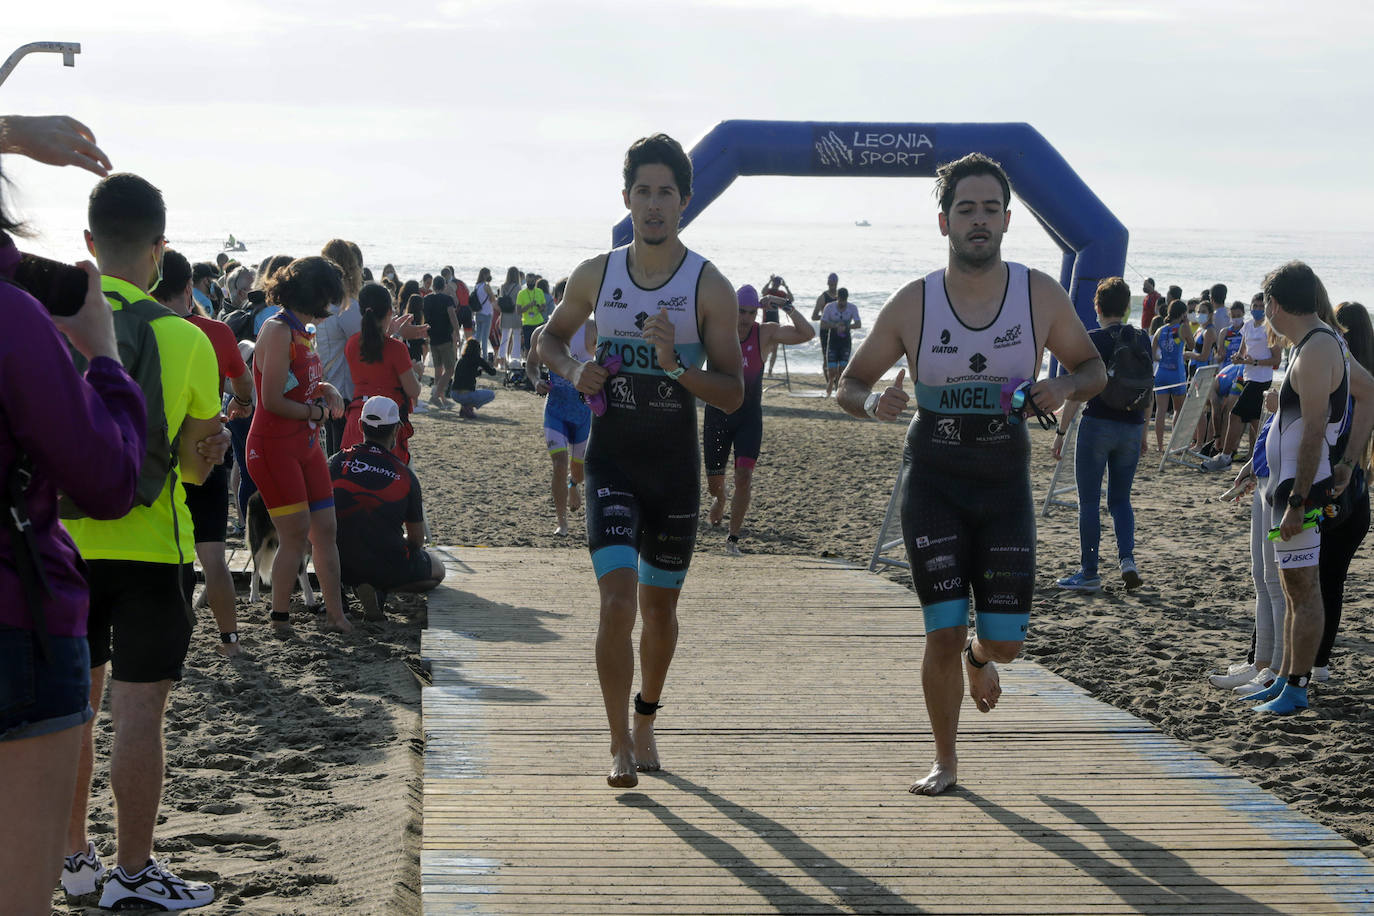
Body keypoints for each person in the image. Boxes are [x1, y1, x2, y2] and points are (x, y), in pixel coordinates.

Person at [836, 152, 1105, 795]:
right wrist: (876, 403)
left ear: (1008, 220)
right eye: (965, 210)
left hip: (1004, 487)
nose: (978, 220)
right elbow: (848, 384)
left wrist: (1061, 383)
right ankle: (946, 761)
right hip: (933, 483)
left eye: (990, 209)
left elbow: (1094, 370)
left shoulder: (1039, 293)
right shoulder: (913, 303)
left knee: (1005, 642)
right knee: (942, 626)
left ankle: (981, 657)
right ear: (943, 222)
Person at [537, 132, 744, 788]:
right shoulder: (597, 274)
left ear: (686, 200)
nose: (653, 205)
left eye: (665, 193)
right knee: (617, 603)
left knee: (659, 613)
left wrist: (678, 365)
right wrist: (574, 369)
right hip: (613, 464)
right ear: (626, 198)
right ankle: (618, 740)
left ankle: (647, 715)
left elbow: (734, 390)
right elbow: (548, 338)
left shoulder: (709, 285)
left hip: (674, 471)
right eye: (642, 192)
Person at [63, 172, 226, 910]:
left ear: (90, 243)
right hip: (151, 548)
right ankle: (133, 873)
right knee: (138, 712)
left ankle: (73, 861)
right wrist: (209, 451)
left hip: (60, 544)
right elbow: (192, 469)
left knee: (73, 709)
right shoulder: (186, 338)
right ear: (159, 251)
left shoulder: (50, 324)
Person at [0, 119, 144, 916]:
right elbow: (110, 478)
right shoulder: (15, 322)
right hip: (17, 619)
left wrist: (9, 133)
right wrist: (105, 361)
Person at [1242, 262, 1350, 714]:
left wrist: (1300, 500)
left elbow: (1312, 432)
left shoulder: (1320, 346)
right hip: (1289, 488)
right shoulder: (1308, 345)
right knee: (1290, 587)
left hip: (1300, 491)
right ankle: (1285, 677)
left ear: (1274, 303)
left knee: (1303, 588)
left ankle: (1297, 686)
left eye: (1264, 302)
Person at [152, 250, 254, 656]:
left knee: (166, 553)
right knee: (212, 553)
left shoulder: (143, 328)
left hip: (158, 454)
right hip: (207, 446)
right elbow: (243, 385)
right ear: (189, 286)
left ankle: (172, 636)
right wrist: (241, 404)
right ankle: (229, 641)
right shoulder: (215, 332)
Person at [243, 255, 352, 635]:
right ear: (316, 295)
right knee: (295, 532)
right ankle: (280, 619)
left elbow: (301, 381)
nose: (331, 309)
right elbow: (271, 399)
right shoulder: (276, 330)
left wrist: (328, 390)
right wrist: (318, 414)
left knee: (326, 529)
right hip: (272, 446)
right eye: (329, 300)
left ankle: (336, 615)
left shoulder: (301, 329)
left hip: (305, 444)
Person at [1051, 278, 1149, 592]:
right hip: (1132, 427)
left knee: (1089, 502)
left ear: (1097, 308)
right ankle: (1127, 559)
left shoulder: (1092, 340)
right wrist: (1144, 431)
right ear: (1127, 307)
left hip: (1097, 426)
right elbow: (1148, 388)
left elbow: (1076, 392)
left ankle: (1090, 572)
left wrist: (1061, 432)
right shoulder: (1142, 339)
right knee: (1121, 500)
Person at [704, 283, 815, 555]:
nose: (744, 319)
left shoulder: (763, 334)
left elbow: (807, 333)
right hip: (717, 416)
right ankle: (720, 499)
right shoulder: (716, 330)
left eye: (750, 313)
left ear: (757, 313)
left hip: (749, 418)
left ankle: (733, 539)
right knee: (713, 485)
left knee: (744, 476)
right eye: (740, 311)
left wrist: (783, 305)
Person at [330, 396, 446, 620]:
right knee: (437, 570)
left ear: (360, 425)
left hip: (339, 562)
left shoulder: (335, 462)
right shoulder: (405, 476)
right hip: (385, 564)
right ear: (397, 429)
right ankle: (382, 589)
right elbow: (416, 540)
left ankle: (347, 590)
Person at [1315, 301, 1374, 681]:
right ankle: (1320, 663)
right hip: (1359, 495)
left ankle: (1292, 660)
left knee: (1307, 579)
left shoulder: (1338, 374)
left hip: (1332, 489)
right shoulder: (1368, 379)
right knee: (1333, 580)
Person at [529, 321, 596, 535]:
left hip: (584, 413)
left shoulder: (594, 329)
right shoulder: (543, 332)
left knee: (579, 471)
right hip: (555, 410)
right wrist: (536, 380)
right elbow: (532, 364)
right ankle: (562, 522)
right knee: (559, 463)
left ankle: (573, 485)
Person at [1203, 291, 1282, 470]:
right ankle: (1268, 454)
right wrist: (1238, 358)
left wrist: (1254, 361)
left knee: (1235, 414)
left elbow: (1276, 360)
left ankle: (1225, 457)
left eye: (1262, 306)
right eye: (1255, 306)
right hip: (1247, 376)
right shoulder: (1247, 326)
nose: (1258, 309)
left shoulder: (1270, 328)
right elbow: (1242, 351)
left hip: (1261, 379)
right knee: (1255, 421)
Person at [342, 282, 420, 461]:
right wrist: (415, 371)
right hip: (386, 421)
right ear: (389, 313)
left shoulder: (352, 344)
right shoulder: (396, 349)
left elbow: (373, 358)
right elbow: (413, 390)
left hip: (358, 418)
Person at [314, 239, 364, 455]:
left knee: (334, 452)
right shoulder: (347, 306)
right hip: (345, 388)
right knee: (345, 451)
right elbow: (363, 343)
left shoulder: (320, 303)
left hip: (326, 382)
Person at [1150, 299, 1190, 452]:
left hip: (1161, 372)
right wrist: (1185, 324)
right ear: (1182, 314)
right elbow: (1192, 345)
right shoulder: (1182, 328)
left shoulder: (1160, 330)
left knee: (1160, 410)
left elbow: (1154, 355)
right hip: (1177, 373)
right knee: (1178, 410)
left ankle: (1160, 447)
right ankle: (1174, 444)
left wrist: (1163, 359)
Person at [422, 274, 459, 408]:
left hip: (433, 337)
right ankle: (436, 395)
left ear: (433, 286)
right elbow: (452, 315)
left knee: (438, 370)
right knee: (450, 369)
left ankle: (441, 399)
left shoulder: (426, 299)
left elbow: (424, 317)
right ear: (444, 286)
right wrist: (457, 332)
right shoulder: (447, 299)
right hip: (444, 337)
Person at [821, 287, 861, 396]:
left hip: (845, 341)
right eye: (840, 300)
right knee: (832, 371)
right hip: (833, 341)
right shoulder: (829, 307)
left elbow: (858, 324)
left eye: (844, 301)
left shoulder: (852, 308)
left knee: (842, 370)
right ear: (836, 298)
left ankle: (838, 391)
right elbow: (823, 324)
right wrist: (835, 326)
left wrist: (846, 327)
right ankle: (830, 384)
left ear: (847, 299)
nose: (842, 303)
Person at [449, 336, 498, 418]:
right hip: (467, 394)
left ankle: (464, 407)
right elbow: (492, 373)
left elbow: (466, 374)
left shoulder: (461, 360)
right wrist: (490, 365)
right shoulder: (478, 359)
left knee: (467, 394)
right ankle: (468, 407)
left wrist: (479, 372)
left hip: (454, 394)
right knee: (491, 394)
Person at [759, 274, 794, 374]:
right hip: (765, 322)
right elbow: (763, 291)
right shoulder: (768, 292)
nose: (776, 285)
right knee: (763, 347)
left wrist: (786, 286)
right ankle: (761, 367)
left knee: (774, 350)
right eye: (775, 283)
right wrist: (769, 281)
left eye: (777, 284)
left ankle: (770, 370)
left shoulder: (780, 293)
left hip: (776, 323)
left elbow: (791, 299)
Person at [812, 272, 839, 389]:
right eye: (831, 282)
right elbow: (814, 316)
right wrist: (826, 319)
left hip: (838, 331)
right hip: (826, 331)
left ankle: (837, 383)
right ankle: (829, 382)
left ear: (836, 283)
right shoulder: (823, 297)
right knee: (826, 358)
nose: (832, 284)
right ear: (828, 283)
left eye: (834, 282)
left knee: (839, 358)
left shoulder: (840, 296)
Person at [496, 265, 523, 368]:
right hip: (515, 313)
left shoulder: (503, 286)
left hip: (505, 313)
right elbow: (518, 302)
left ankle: (501, 361)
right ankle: (515, 360)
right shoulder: (518, 287)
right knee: (516, 338)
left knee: (504, 338)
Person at [517, 272, 547, 355]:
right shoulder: (521, 293)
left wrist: (539, 307)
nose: (530, 284)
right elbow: (518, 311)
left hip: (538, 322)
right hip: (527, 323)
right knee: (528, 346)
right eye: (528, 282)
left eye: (532, 282)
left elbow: (544, 308)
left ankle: (539, 365)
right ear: (526, 281)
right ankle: (528, 364)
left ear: (535, 281)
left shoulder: (539, 291)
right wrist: (529, 305)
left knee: (540, 345)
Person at [471, 267, 496, 361]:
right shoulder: (486, 286)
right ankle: (484, 358)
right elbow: (493, 298)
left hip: (478, 313)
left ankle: (474, 354)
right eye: (489, 274)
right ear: (486, 275)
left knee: (478, 336)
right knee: (485, 338)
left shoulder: (477, 286)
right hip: (487, 314)